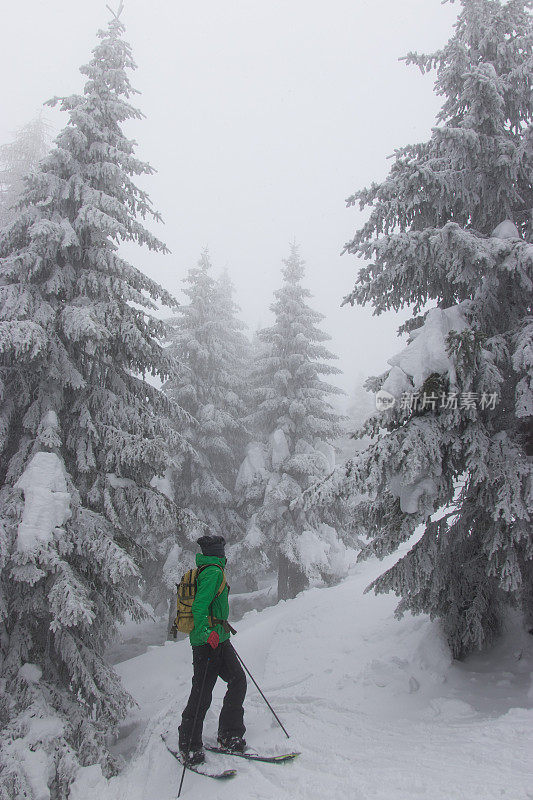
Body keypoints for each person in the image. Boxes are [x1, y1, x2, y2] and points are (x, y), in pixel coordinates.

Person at [178, 534, 247, 765]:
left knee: (237, 679)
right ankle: (189, 744)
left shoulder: (210, 570)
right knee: (202, 692)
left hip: (220, 639)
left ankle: (229, 733)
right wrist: (209, 634)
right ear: (219, 553)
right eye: (222, 550)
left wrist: (219, 633)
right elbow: (199, 606)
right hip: (207, 642)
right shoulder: (213, 572)